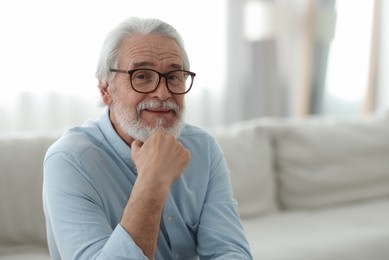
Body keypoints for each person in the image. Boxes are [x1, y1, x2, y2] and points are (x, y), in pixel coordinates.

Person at [42, 17, 252, 260]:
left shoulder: (203, 147)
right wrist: (153, 180)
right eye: (142, 76)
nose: (163, 93)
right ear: (106, 90)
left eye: (174, 76)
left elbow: (230, 252)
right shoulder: (69, 161)